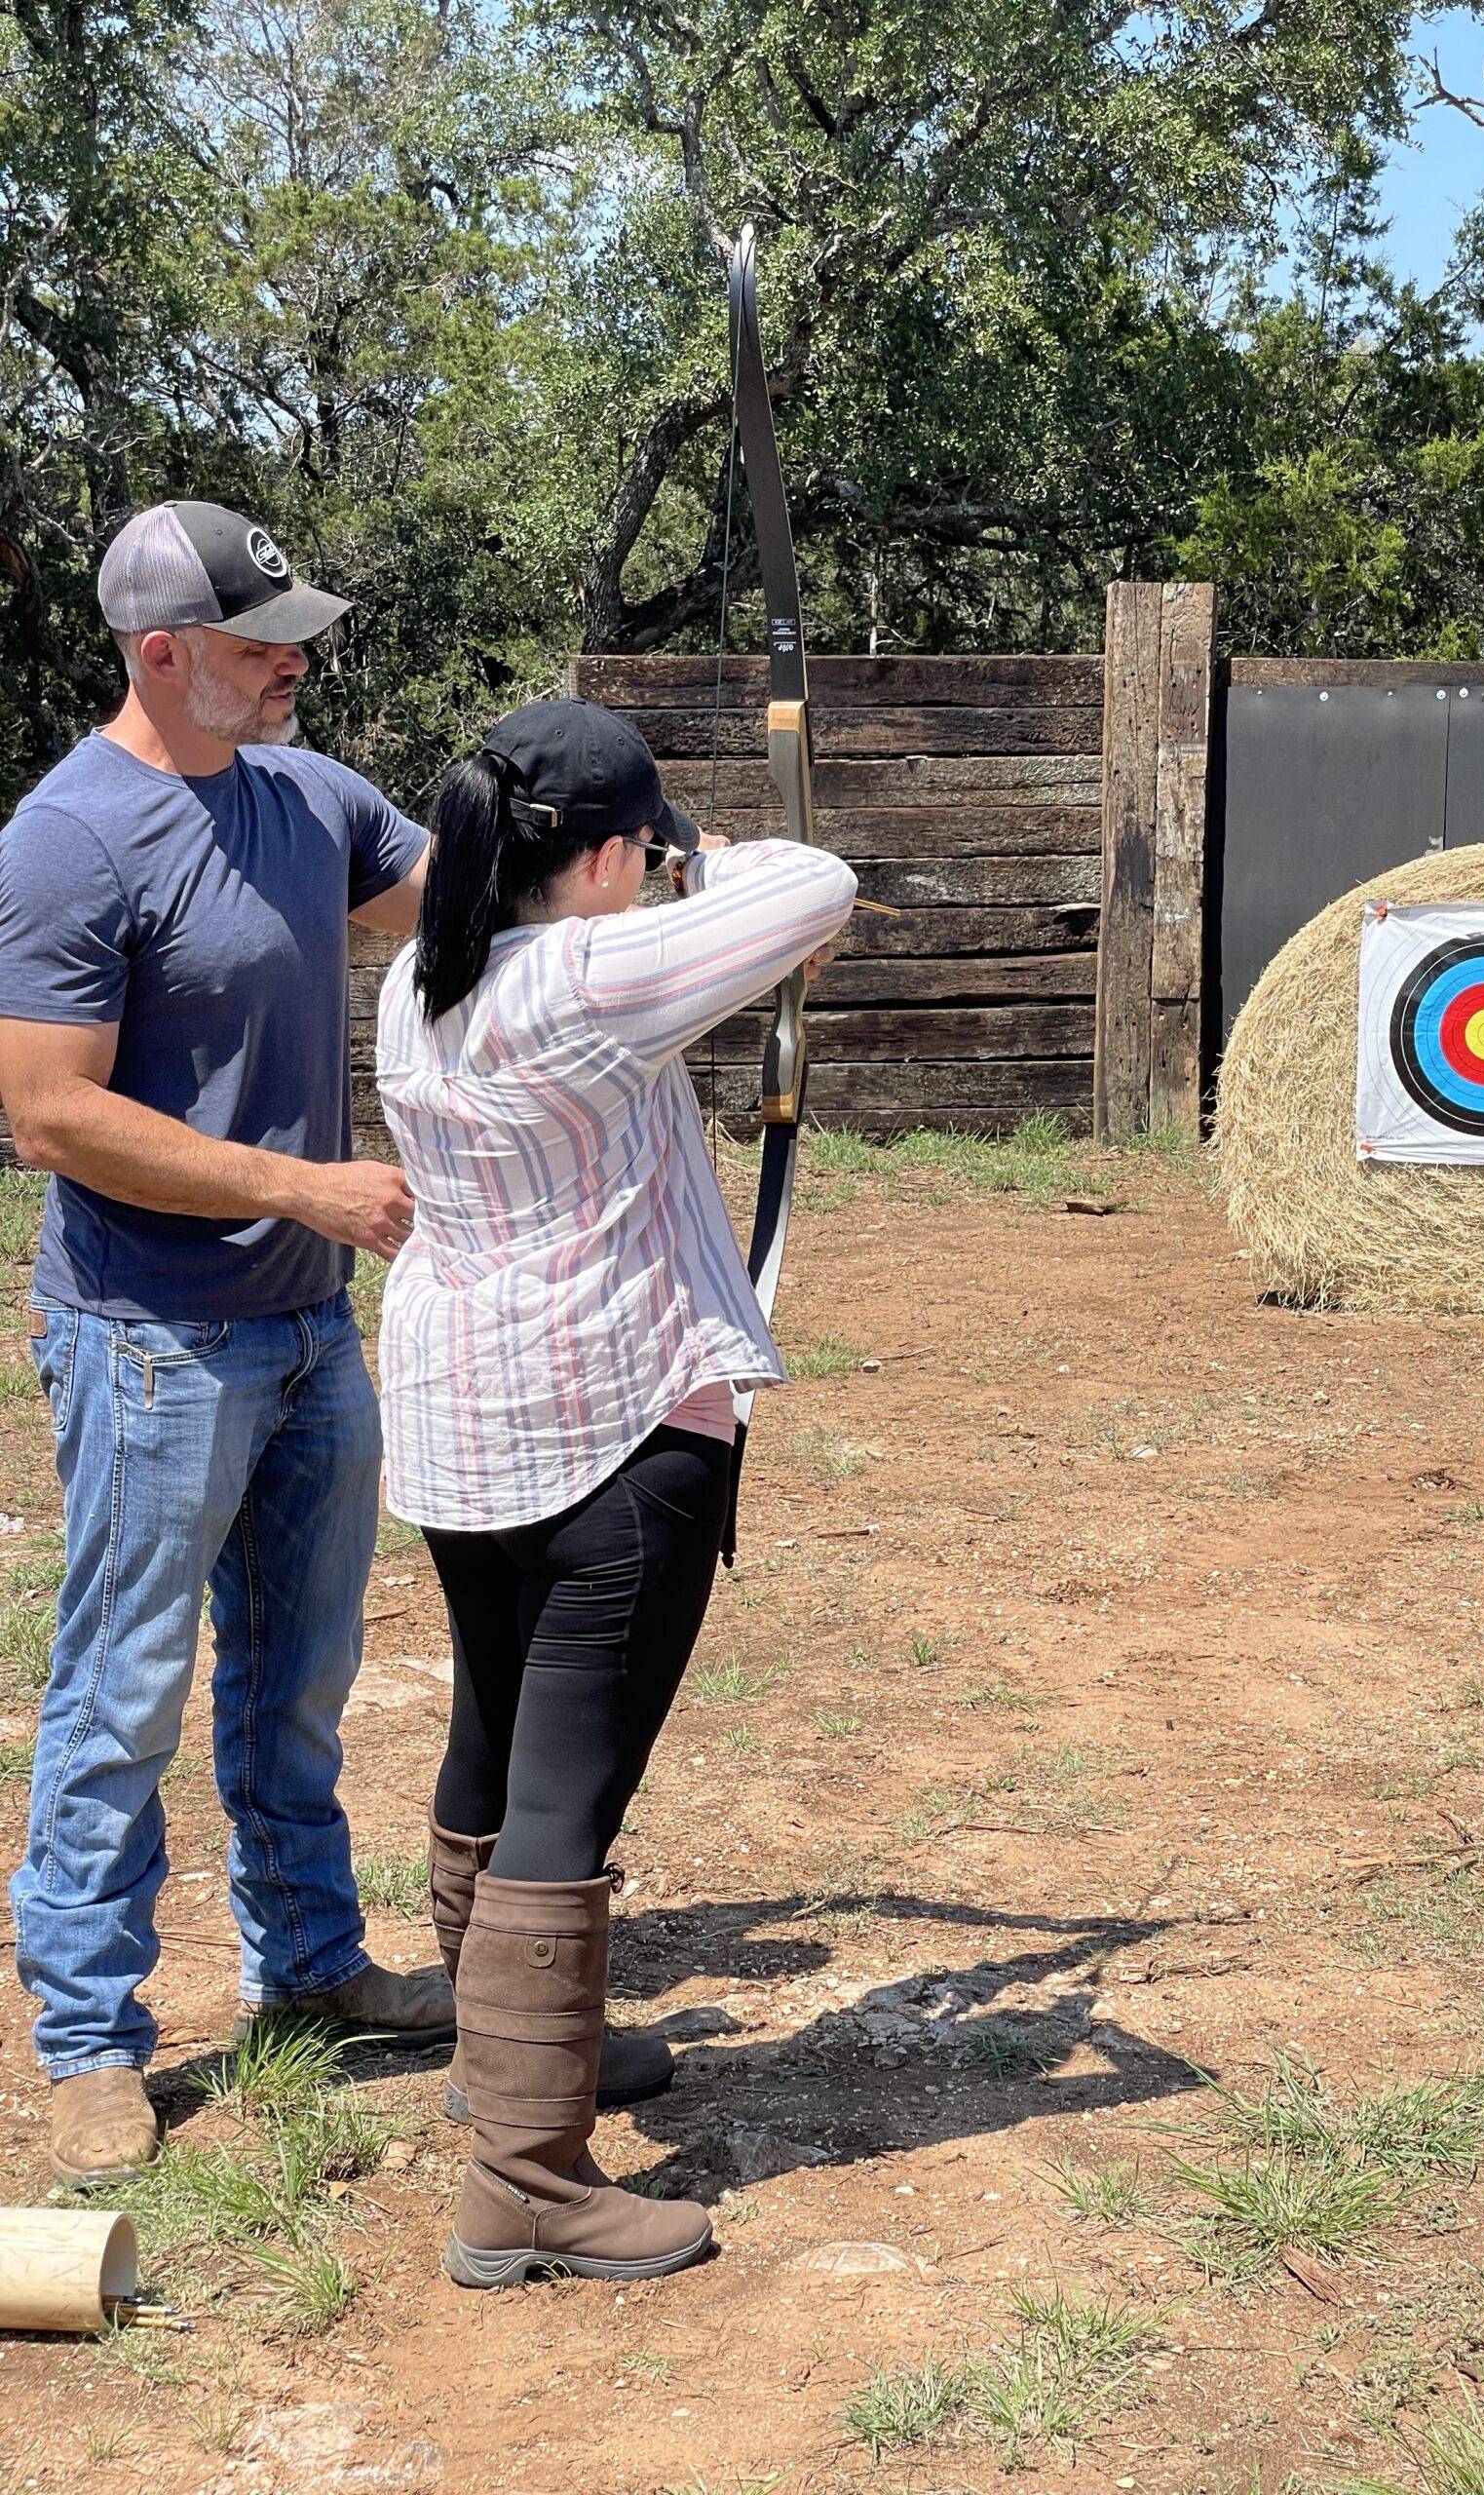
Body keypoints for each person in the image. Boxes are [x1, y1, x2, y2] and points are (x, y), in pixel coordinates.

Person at [375, 697, 855, 2287]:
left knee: (496, 1735)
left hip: (467, 1420)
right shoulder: (587, 978)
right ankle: (526, 2182)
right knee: (566, 1790)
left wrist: (680, 894)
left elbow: (720, 950)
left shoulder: (421, 979)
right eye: (637, 855)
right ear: (593, 861)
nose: (656, 879)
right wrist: (704, 861)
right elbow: (816, 881)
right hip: (606, 1425)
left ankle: (506, 2060)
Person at [0, 501, 450, 2187]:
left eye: (297, 637)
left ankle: (314, 1969)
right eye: (265, 642)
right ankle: (91, 2039)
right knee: (121, 1695)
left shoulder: (307, 800)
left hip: (304, 1329)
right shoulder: (68, 840)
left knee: (302, 1680)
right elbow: (46, 1116)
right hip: (149, 1341)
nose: (298, 663)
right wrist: (297, 1187)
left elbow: (464, 895)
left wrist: (669, 867)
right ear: (160, 652)